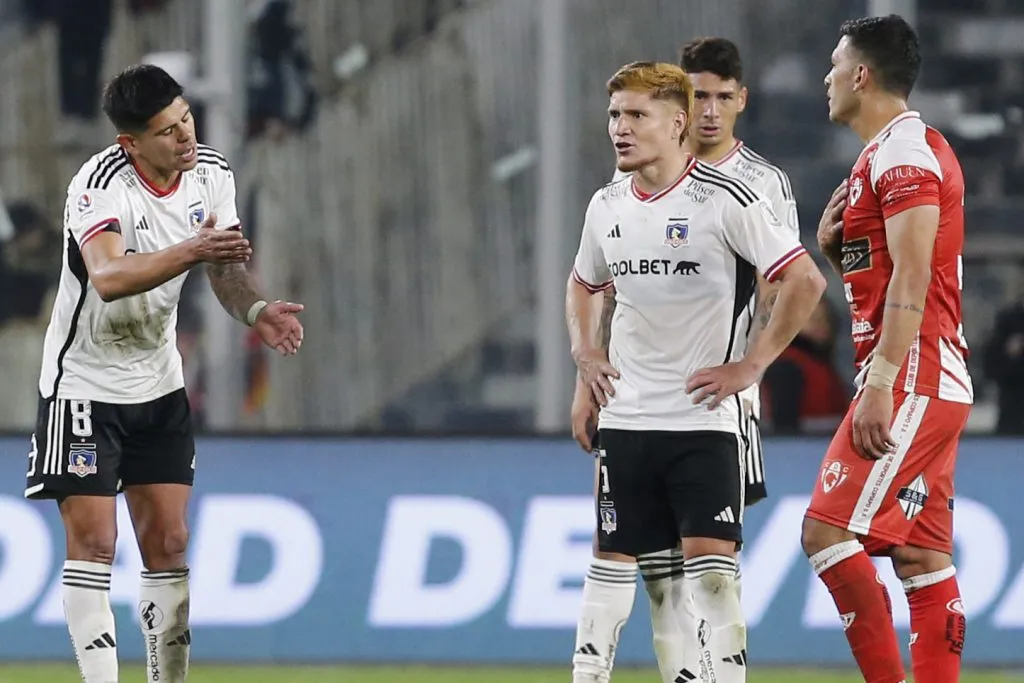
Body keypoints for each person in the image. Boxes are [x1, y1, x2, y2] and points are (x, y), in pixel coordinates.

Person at [23, 64, 305, 683]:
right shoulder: (98, 185)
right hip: (84, 387)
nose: (184, 137)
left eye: (186, 119)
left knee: (170, 546)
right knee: (96, 545)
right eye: (167, 130)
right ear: (131, 143)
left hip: (158, 383)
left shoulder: (212, 172)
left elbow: (225, 269)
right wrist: (193, 251)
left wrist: (256, 310)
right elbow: (110, 276)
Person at [566, 60, 825, 683]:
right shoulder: (606, 205)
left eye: (636, 115)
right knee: (621, 573)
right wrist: (584, 361)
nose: (619, 129)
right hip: (626, 417)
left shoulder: (727, 200)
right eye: (614, 115)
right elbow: (583, 285)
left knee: (710, 576)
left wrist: (753, 364)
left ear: (677, 123)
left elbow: (805, 279)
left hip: (704, 422)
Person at [801, 15, 972, 683]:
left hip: (912, 377)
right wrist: (834, 249)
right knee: (922, 558)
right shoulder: (890, 152)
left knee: (824, 531)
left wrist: (880, 384)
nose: (827, 78)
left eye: (836, 65)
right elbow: (890, 267)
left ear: (862, 75)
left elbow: (914, 273)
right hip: (929, 376)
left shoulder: (904, 154)